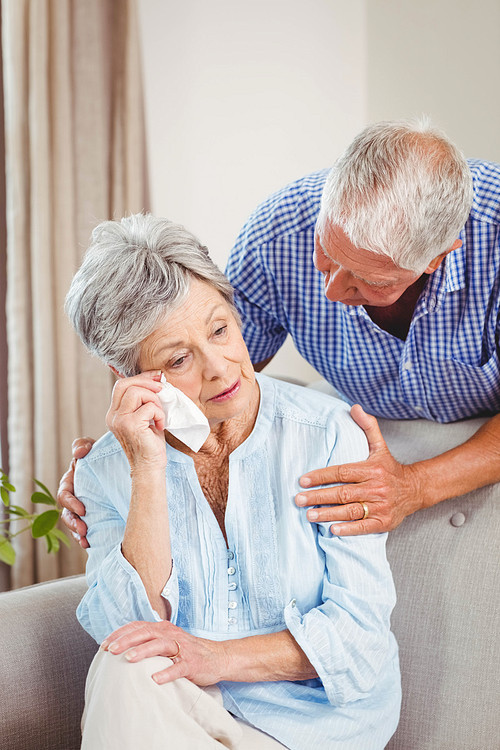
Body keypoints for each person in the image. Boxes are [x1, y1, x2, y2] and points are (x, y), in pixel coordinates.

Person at [59, 116, 500, 542]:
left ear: (437, 257)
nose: (331, 289)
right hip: (354, 420)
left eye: (370, 282)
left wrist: (415, 486)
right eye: (327, 252)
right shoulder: (277, 231)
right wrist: (115, 461)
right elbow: (205, 371)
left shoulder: (493, 234)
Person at [65, 214, 401, 750]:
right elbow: (128, 634)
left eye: (220, 330)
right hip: (184, 718)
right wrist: (146, 470)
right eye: (179, 359)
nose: (221, 368)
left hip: (312, 732)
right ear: (128, 378)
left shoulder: (329, 436)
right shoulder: (106, 472)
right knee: (128, 665)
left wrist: (215, 657)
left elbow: (360, 644)